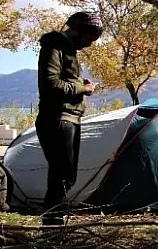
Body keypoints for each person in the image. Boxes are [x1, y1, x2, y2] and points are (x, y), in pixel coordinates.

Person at [36, 11, 102, 225]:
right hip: (58, 119)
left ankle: (54, 225)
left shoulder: (67, 50)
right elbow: (51, 85)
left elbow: (62, 81)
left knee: (66, 177)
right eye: (89, 39)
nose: (90, 45)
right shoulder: (54, 47)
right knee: (62, 176)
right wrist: (83, 87)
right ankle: (52, 228)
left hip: (69, 119)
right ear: (80, 31)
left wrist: (77, 83)